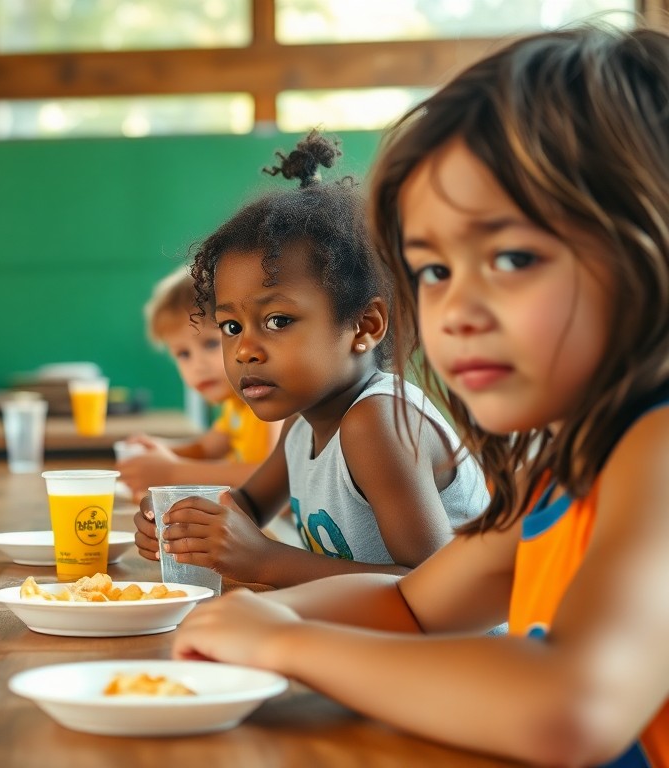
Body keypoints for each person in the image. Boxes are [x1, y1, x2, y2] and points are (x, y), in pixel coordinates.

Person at [172, 26, 669, 765]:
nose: (456, 309)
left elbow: (573, 707)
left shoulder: (657, 449)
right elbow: (415, 601)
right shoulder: (569, 463)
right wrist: (251, 615)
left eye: (512, 257)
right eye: (434, 270)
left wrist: (282, 637)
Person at [132, 130, 488, 588]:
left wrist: (264, 560)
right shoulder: (303, 425)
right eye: (231, 327)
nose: (244, 349)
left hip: (451, 655)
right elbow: (243, 503)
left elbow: (438, 589)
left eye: (278, 321)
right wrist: (183, 522)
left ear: (364, 326)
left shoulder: (376, 423)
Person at [115, 265, 279, 499]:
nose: (197, 365)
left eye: (210, 344)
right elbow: (206, 449)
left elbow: (270, 479)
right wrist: (159, 452)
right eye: (183, 354)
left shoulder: (271, 406)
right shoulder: (236, 405)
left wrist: (173, 471)